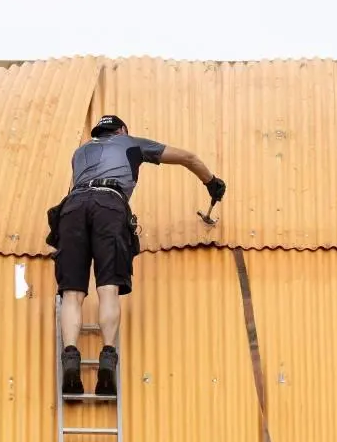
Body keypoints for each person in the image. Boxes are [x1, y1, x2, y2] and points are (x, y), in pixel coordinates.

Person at [50, 115, 224, 397]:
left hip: (72, 207)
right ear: (121, 131)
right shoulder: (130, 143)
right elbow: (188, 157)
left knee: (72, 292)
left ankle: (71, 356)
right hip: (109, 204)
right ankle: (107, 355)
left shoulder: (79, 152)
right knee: (107, 288)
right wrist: (211, 181)